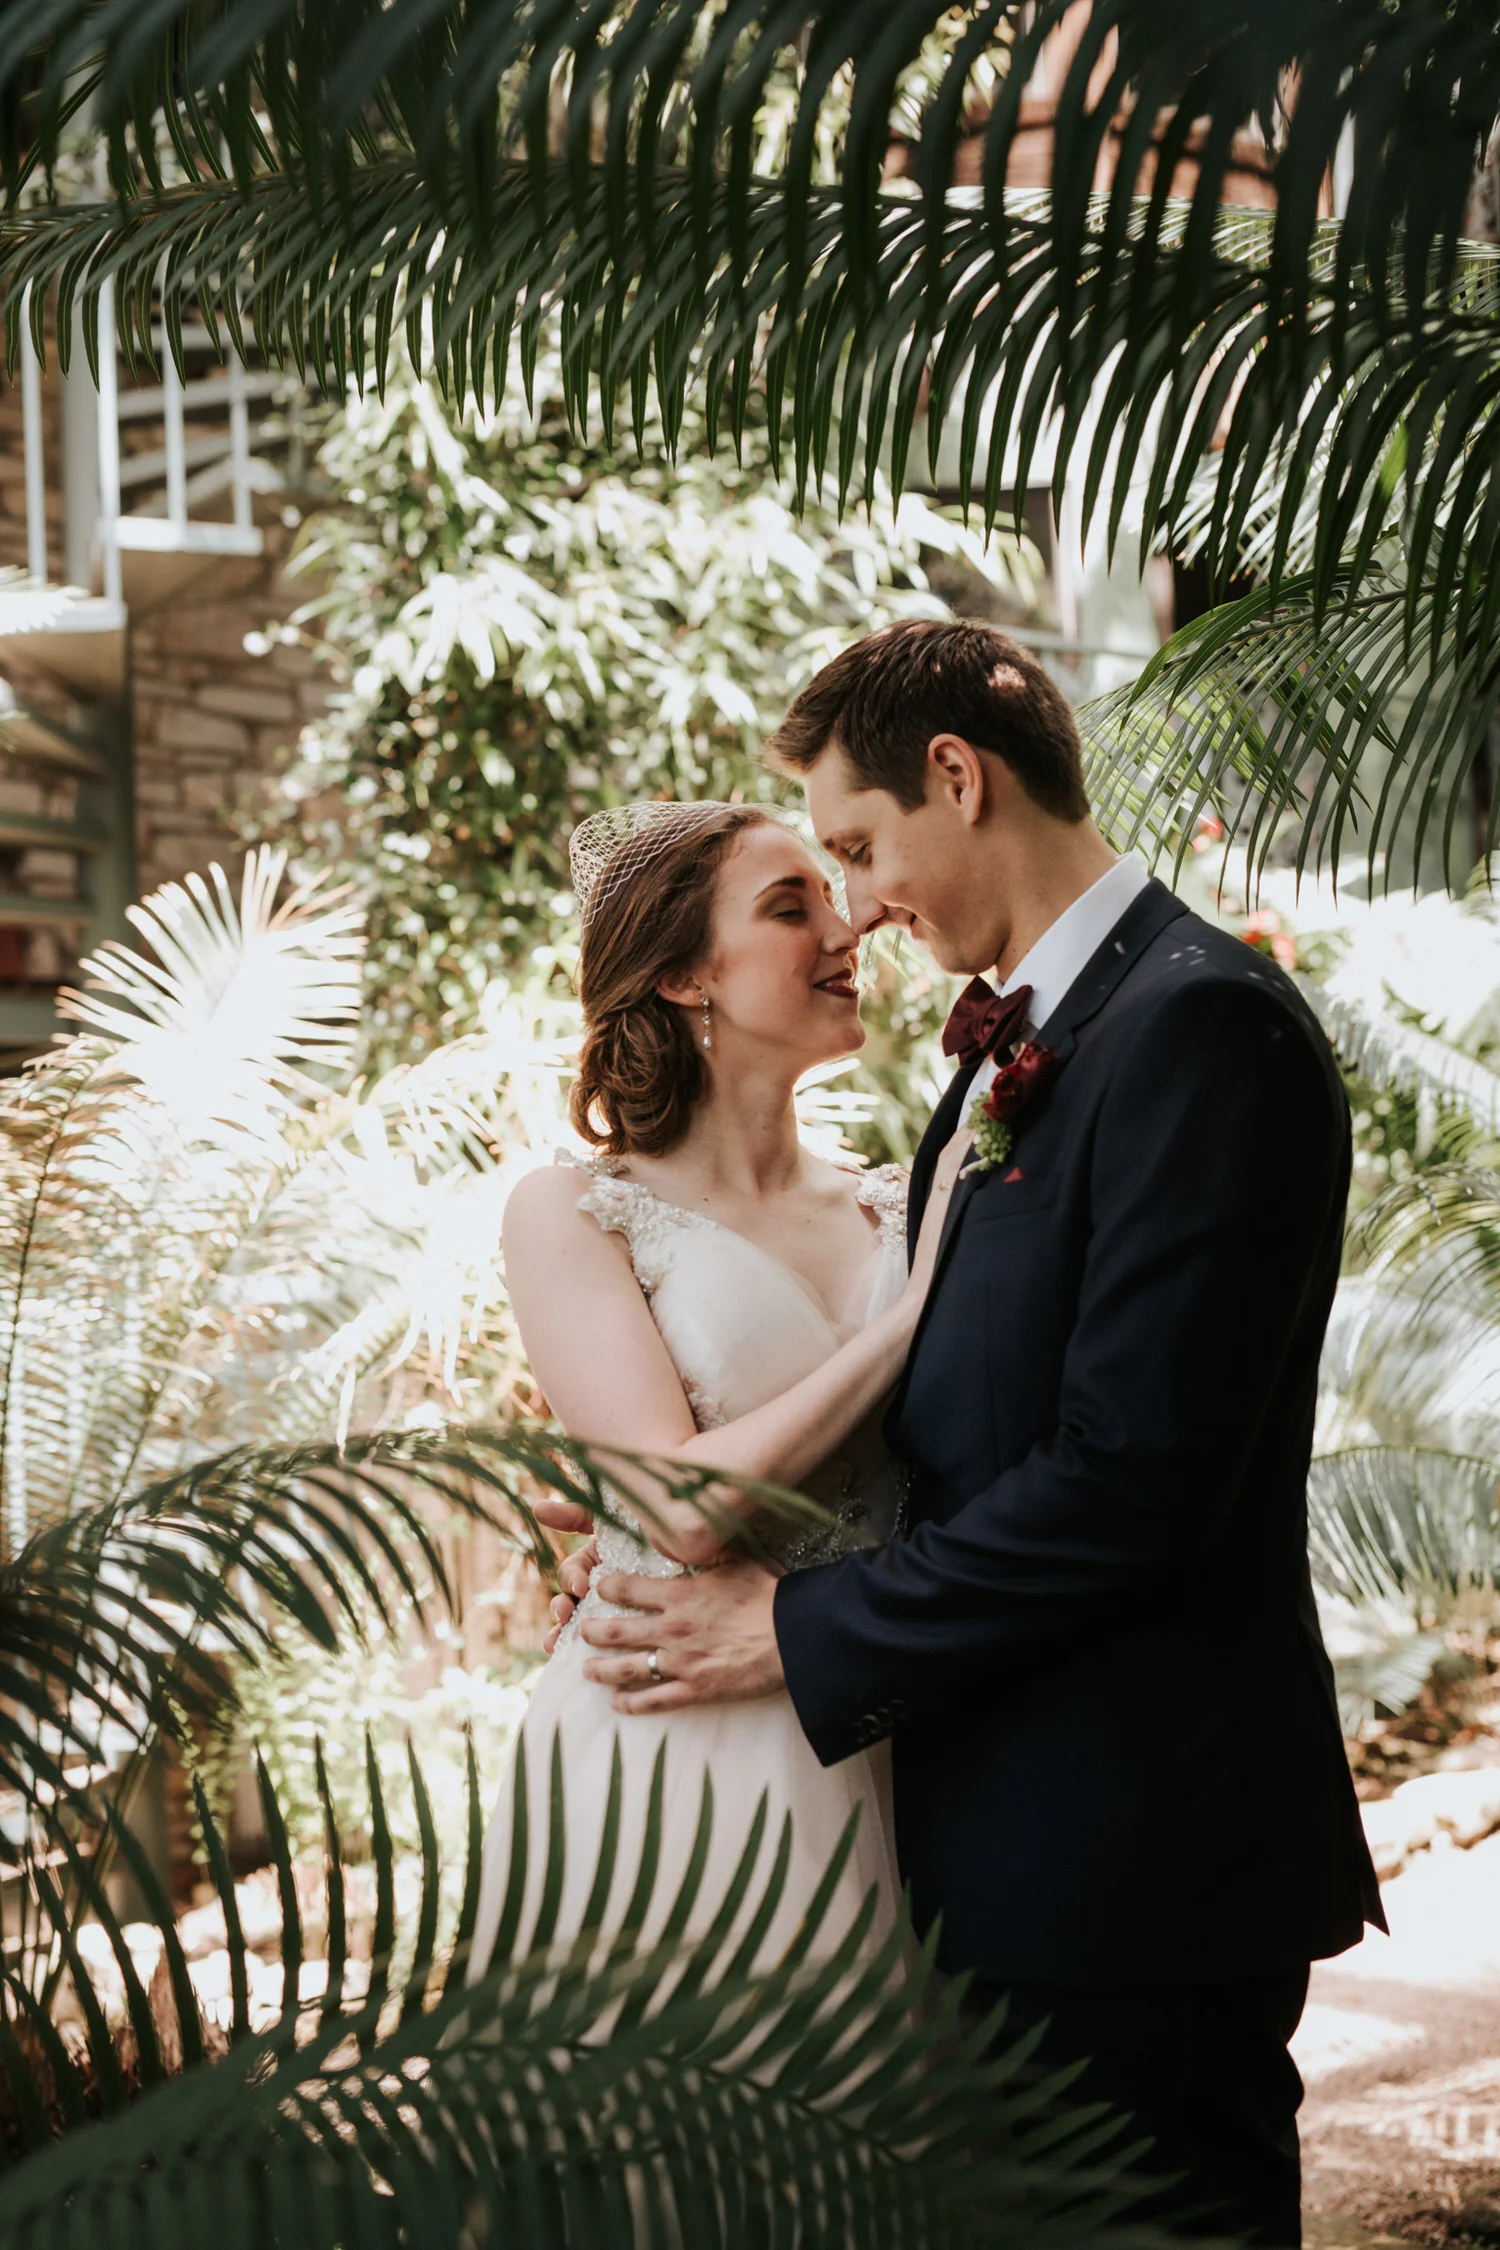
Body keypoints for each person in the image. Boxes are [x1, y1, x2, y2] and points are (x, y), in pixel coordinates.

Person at [548, 621, 1385, 2248]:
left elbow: (1130, 1480)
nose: (859, 905)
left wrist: (782, 1626)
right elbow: (948, 1409)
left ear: (958, 774)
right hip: (974, 1849)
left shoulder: (1198, 1025)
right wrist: (655, 1507)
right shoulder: (1023, 1046)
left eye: (858, 850)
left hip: (1130, 1864)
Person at [468, 800, 947, 1983]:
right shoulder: (573, 1212)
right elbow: (680, 1509)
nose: (845, 931)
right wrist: (911, 1322)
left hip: (903, 1724)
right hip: (681, 1744)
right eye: (791, 908)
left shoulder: (907, 1201)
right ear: (684, 977)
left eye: (834, 898)